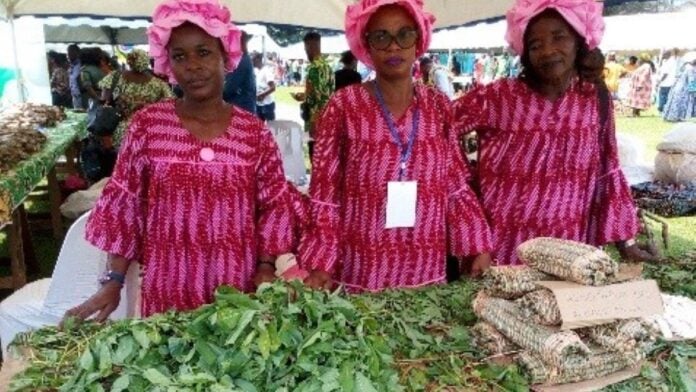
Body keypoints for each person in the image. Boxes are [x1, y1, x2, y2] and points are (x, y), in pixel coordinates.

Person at [64, 0, 296, 321]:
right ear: (167, 64)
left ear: (224, 57)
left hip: (236, 296)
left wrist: (266, 267)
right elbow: (125, 204)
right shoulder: (148, 125)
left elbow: (274, 207)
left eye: (203, 52)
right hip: (167, 290)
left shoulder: (253, 133)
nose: (193, 66)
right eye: (180, 56)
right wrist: (113, 281)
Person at [298, 0, 493, 292]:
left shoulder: (437, 105)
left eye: (404, 34)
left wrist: (476, 244)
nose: (393, 47)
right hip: (361, 270)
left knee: (423, 333)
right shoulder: (344, 106)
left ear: (419, 40)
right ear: (366, 45)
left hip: (424, 267)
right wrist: (322, 260)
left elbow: (455, 182)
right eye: (381, 36)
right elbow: (325, 193)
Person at [452, 0, 656, 266]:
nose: (548, 51)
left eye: (559, 37)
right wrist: (465, 195)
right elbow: (435, 130)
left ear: (579, 41)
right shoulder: (497, 98)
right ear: (525, 53)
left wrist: (626, 241)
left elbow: (609, 169)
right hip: (504, 252)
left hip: (570, 254)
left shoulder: (595, 98)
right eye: (535, 45)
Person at [98, 49, 173, 148]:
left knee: (122, 159)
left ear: (129, 60)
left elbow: (104, 100)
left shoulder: (115, 76)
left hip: (119, 129)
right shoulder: (159, 84)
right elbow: (170, 105)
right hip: (149, 131)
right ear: (146, 62)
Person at [292, 32, 335, 159]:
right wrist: (303, 96)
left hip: (316, 122)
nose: (306, 52)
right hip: (328, 120)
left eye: (306, 48)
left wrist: (314, 124)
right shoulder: (328, 67)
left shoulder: (314, 68)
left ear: (311, 45)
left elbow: (320, 99)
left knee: (316, 157)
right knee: (325, 158)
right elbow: (322, 93)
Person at [222, 31, 256, 114]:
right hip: (246, 108)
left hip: (240, 109)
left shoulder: (240, 61)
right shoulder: (245, 59)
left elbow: (229, 89)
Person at [663, 55, 696, 122]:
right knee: (681, 104)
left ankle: (671, 117)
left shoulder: (685, 67)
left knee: (675, 103)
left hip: (677, 88)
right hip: (683, 90)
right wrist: (694, 91)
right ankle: (677, 117)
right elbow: (691, 81)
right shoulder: (691, 69)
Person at [80, 48, 106, 123]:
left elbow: (88, 87)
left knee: (92, 120)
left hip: (94, 99)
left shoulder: (85, 70)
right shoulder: (99, 69)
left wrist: (98, 99)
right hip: (105, 96)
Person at [253, 53, 276, 122]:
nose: (252, 62)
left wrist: (262, 95)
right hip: (258, 105)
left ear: (258, 60)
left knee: (271, 127)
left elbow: (273, 88)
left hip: (267, 105)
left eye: (253, 60)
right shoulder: (256, 71)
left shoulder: (266, 71)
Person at [67, 44, 85, 110]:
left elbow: (80, 80)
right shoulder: (72, 66)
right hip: (74, 95)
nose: (68, 54)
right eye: (68, 52)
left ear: (77, 53)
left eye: (70, 52)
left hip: (81, 95)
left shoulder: (81, 65)